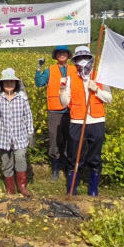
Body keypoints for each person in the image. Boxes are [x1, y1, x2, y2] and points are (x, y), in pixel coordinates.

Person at [59, 45, 112, 196]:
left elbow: (109, 99)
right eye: (79, 59)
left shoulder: (100, 77)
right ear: (75, 62)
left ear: (90, 59)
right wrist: (62, 90)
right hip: (77, 121)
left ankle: (93, 189)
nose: (83, 62)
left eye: (85, 58)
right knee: (74, 156)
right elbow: (64, 103)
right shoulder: (69, 79)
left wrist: (96, 89)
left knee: (94, 156)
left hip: (96, 121)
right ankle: (72, 188)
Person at [35, 45, 76, 181]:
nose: (62, 55)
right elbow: (39, 83)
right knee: (54, 140)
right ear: (56, 56)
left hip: (72, 110)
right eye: (59, 53)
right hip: (55, 110)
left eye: (64, 52)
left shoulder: (74, 69)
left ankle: (67, 168)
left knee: (70, 139)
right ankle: (55, 169)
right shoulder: (50, 70)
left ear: (68, 55)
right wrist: (39, 67)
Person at [0, 68, 34, 197]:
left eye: (12, 82)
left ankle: (22, 187)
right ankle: (10, 188)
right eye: (6, 82)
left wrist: (30, 133)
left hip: (20, 136)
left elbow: (28, 116)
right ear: (2, 85)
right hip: (3, 137)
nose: (9, 84)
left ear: (16, 84)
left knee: (20, 158)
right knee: (6, 163)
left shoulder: (22, 98)